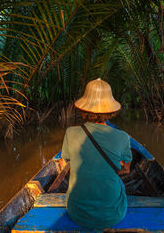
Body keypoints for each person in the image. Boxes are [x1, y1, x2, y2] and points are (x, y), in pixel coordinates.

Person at [61, 78, 132, 229]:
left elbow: (67, 161)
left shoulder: (70, 132)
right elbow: (126, 169)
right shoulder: (123, 137)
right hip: (113, 215)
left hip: (76, 213)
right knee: (120, 184)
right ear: (111, 110)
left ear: (84, 108)